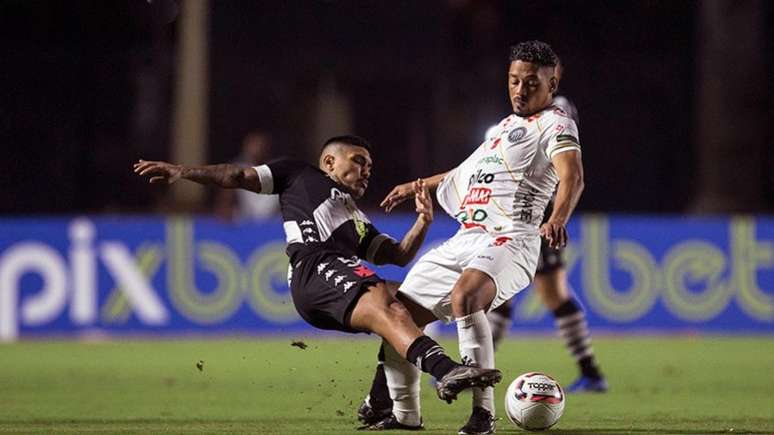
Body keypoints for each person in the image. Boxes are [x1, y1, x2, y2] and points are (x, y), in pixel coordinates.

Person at [132, 135, 502, 420]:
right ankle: (446, 370)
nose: (367, 169)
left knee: (408, 302)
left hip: (338, 274)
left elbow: (398, 255)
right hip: (315, 267)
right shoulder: (298, 174)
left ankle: (378, 402)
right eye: (359, 161)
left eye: (370, 165)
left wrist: (423, 221)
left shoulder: (355, 218)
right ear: (329, 161)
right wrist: (183, 171)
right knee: (388, 307)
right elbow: (238, 175)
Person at [357, 41, 585, 434]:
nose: (520, 89)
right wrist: (417, 186)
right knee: (397, 316)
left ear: (553, 82)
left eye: (531, 82)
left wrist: (558, 216)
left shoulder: (557, 123)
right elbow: (465, 172)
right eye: (514, 80)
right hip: (468, 237)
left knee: (466, 296)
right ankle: (403, 414)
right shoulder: (506, 128)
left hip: (512, 239)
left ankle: (483, 415)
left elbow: (572, 176)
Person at [486, 61, 607, 393]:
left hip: (532, 219)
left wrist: (554, 217)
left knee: (500, 290)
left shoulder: (558, 113)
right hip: (527, 217)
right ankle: (592, 372)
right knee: (548, 293)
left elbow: (566, 169)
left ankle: (478, 369)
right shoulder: (524, 117)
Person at [214, 130, 280, 221]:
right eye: (252, 145)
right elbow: (224, 202)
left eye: (259, 145)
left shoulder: (277, 170)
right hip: (244, 224)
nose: (256, 149)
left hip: (272, 225)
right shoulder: (237, 170)